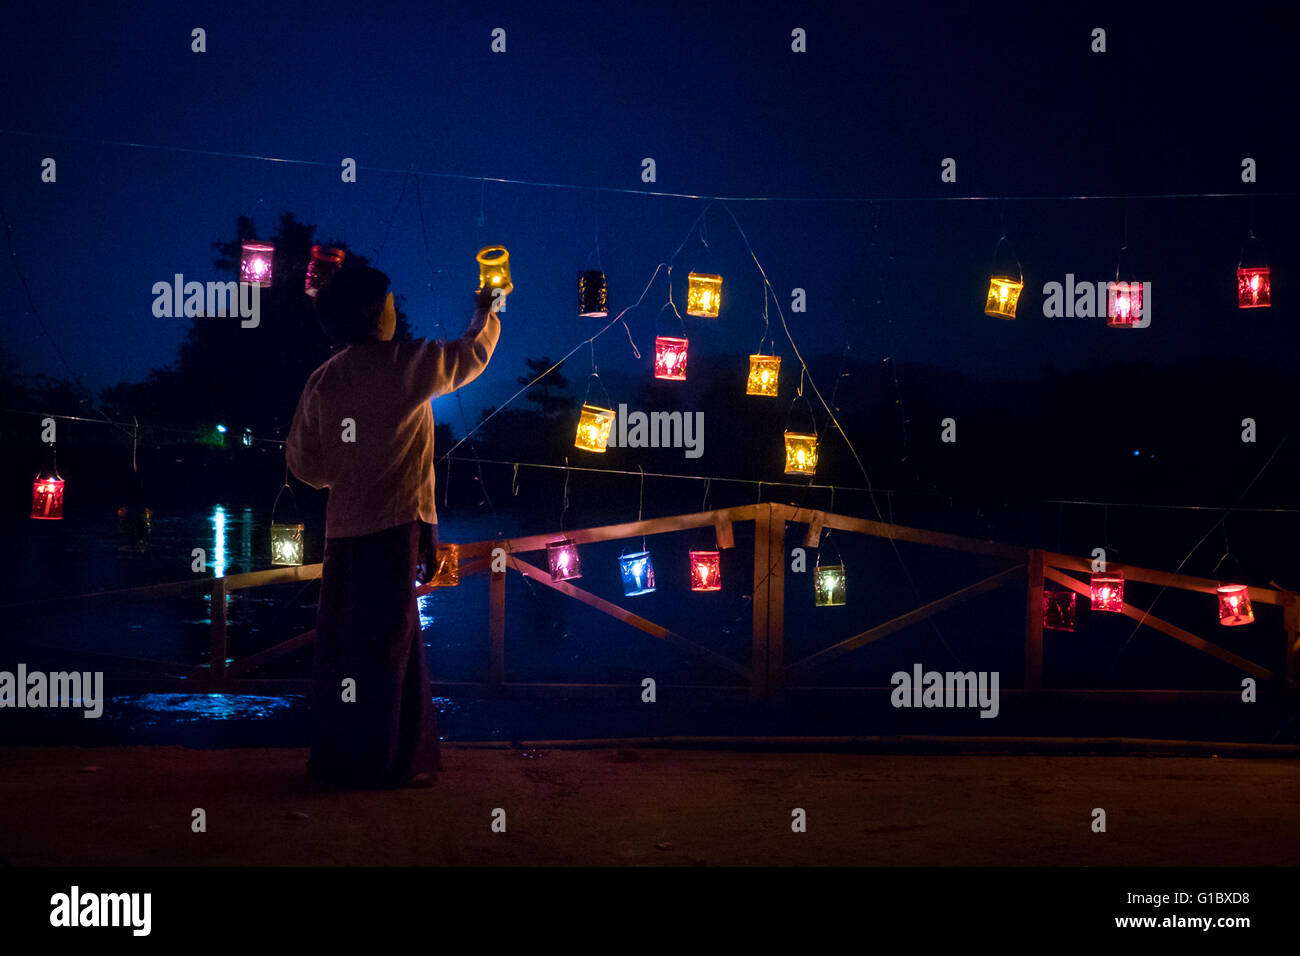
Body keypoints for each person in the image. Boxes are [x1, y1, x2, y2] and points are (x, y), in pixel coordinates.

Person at [286, 264, 505, 788]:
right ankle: (385, 763)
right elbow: (472, 353)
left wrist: (345, 473)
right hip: (394, 531)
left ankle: (339, 758)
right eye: (387, 306)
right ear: (372, 316)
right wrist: (486, 309)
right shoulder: (408, 363)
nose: (393, 314)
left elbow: (304, 461)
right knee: (390, 646)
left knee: (342, 647)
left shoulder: (325, 379)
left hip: (343, 533)